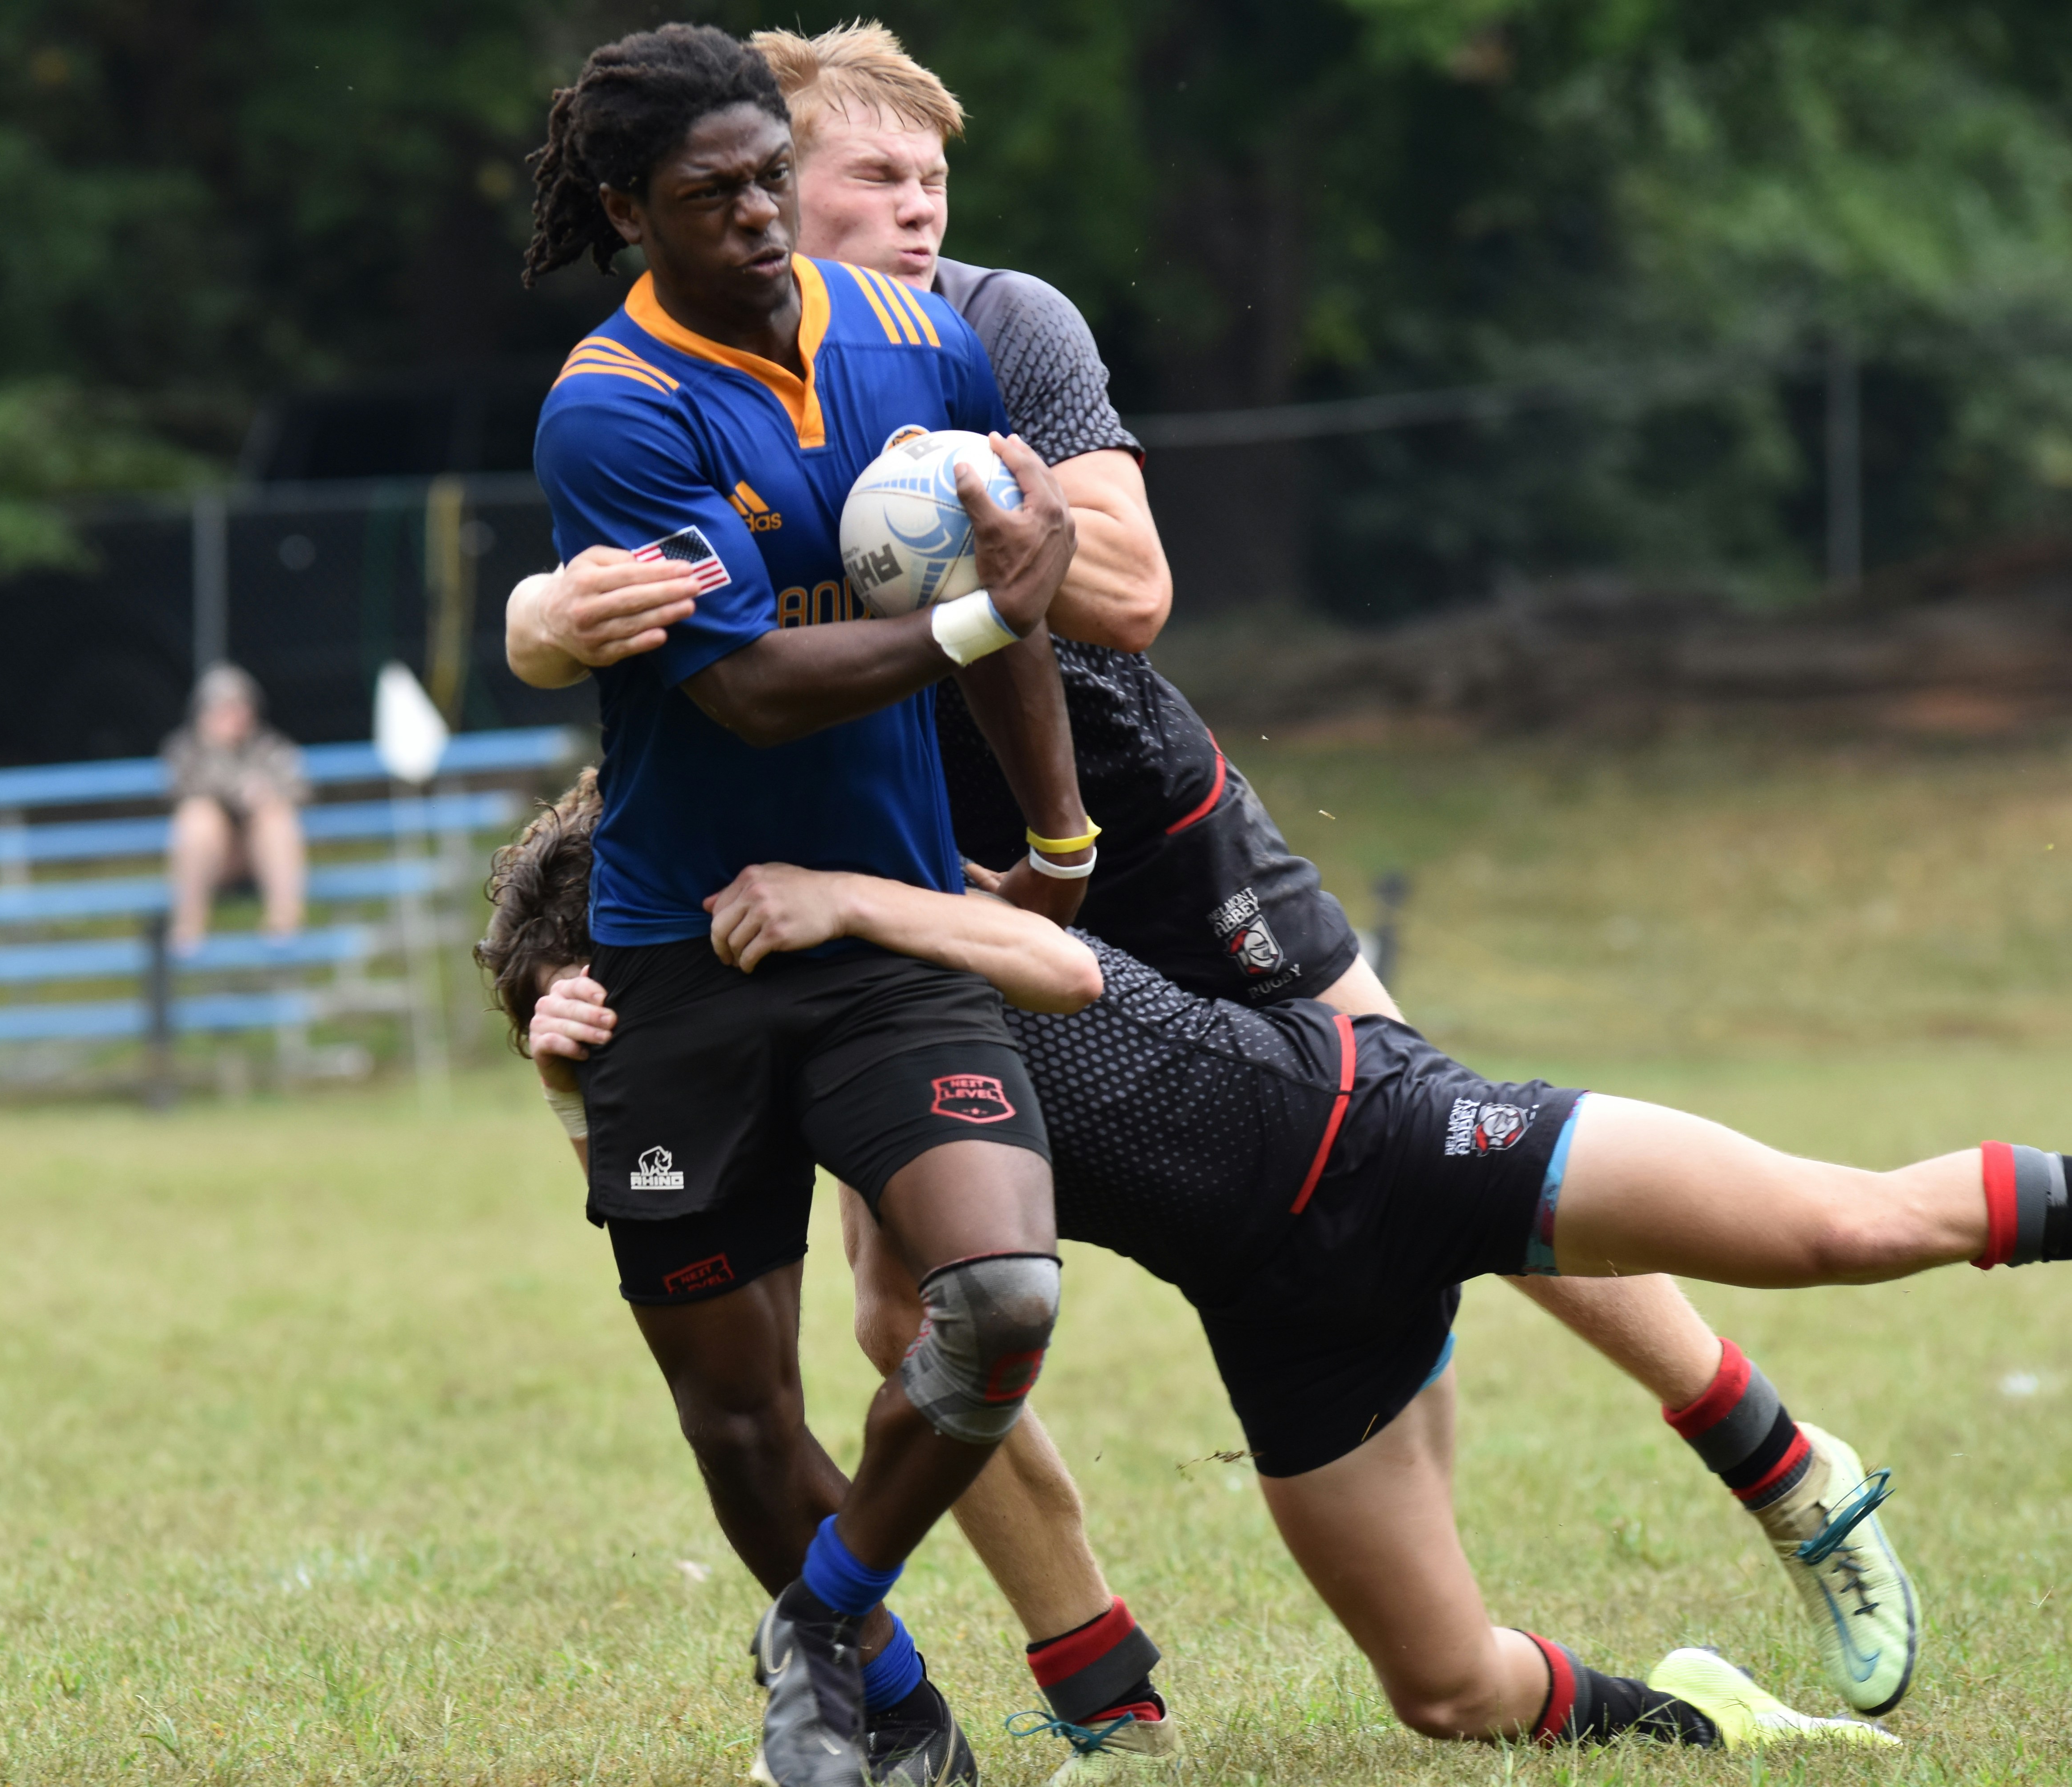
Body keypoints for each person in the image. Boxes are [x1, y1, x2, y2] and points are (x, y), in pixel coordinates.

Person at [500, 23, 1919, 1772]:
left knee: (1418, 1133)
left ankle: (1771, 1456)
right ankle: (1102, 1686)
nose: (911, 208)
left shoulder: (993, 329)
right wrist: (544, 619)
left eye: (928, 179)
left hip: (1136, 822)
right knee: (906, 1311)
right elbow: (670, 655)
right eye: (872, 175)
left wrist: (982, 547)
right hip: (898, 867)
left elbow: (1132, 589)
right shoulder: (659, 381)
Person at [483, 777, 2009, 1757]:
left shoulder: (863, 904)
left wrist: (853, 895)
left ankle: (1787, 1457)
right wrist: (576, 1086)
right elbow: (705, 1244)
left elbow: (1052, 956)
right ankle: (1718, 1726)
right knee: (1447, 1693)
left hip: (1382, 1137)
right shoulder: (803, 1072)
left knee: (1849, 1228)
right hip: (1288, 1327)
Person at [521, 26, 1104, 1785]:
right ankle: (896, 1705)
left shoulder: (922, 340)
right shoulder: (612, 408)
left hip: (882, 934)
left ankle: (822, 1627)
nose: (763, 215)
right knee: (738, 1412)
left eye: (773, 174)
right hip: (679, 956)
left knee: (1001, 1299)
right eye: (713, 195)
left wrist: (1056, 834)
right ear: (629, 211)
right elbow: (747, 691)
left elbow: (1012, 589)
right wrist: (982, 617)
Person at [160, 663, 307, 955]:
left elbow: (299, 788)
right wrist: (240, 788)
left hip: (260, 855)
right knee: (198, 818)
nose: (234, 715)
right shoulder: (186, 749)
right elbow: (181, 790)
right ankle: (188, 928)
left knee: (275, 817)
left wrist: (264, 795)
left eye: (240, 706)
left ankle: (284, 924)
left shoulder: (270, 747)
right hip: (214, 859)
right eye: (223, 708)